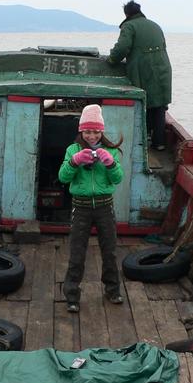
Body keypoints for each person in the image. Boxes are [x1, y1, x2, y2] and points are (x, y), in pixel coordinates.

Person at [58, 104, 124, 313]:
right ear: (81, 131)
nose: (92, 136)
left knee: (110, 251)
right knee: (77, 252)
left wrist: (111, 163)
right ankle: (72, 297)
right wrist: (75, 162)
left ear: (101, 131)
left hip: (105, 206)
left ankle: (113, 291)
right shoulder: (72, 149)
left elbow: (118, 178)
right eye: (87, 131)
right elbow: (63, 177)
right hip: (81, 207)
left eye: (95, 131)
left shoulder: (111, 150)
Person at [107, 0, 172, 151]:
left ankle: (142, 141)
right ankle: (159, 143)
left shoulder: (129, 26)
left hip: (144, 70)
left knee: (143, 103)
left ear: (127, 14)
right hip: (163, 68)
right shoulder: (155, 25)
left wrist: (111, 60)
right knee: (159, 105)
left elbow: (122, 48)